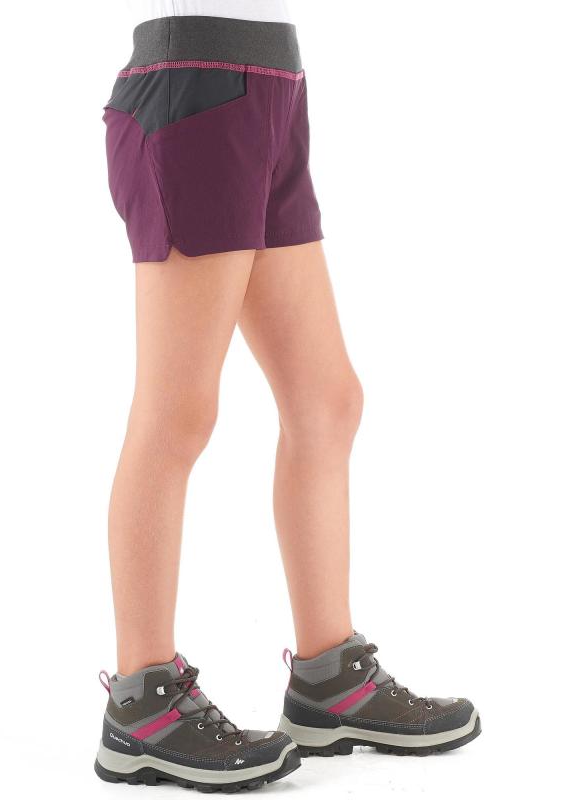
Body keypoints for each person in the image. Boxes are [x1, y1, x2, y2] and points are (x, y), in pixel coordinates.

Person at [95, 1, 480, 790]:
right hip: (195, 86)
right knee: (177, 413)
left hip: (271, 85)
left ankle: (329, 678)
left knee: (327, 399)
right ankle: (142, 703)